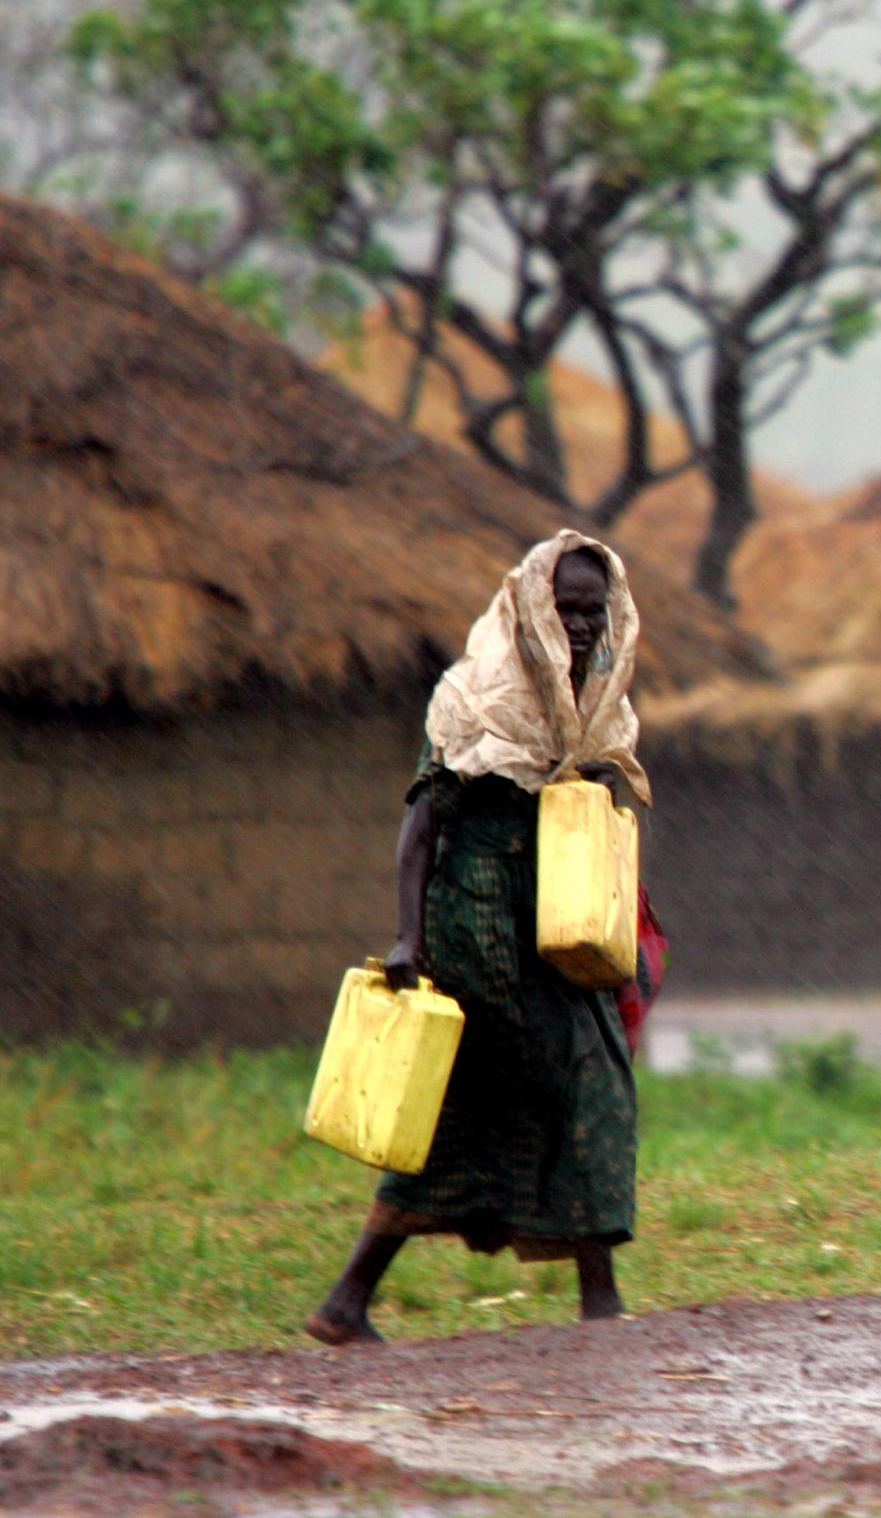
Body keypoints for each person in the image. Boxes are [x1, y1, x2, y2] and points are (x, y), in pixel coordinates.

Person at [307, 531, 653, 1346]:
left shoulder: (599, 701)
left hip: (560, 929)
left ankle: (348, 1302)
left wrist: (602, 790)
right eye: (563, 608)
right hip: (480, 926)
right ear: (530, 605)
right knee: (566, 1085)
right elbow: (422, 825)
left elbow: (606, 810)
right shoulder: (476, 696)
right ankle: (598, 1302)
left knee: (522, 1095)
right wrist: (407, 937)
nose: (577, 625)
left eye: (591, 611)